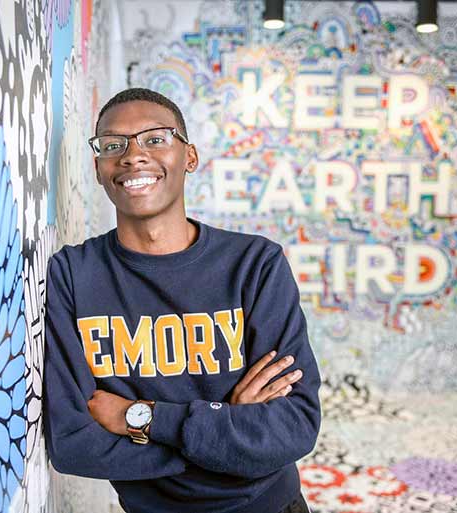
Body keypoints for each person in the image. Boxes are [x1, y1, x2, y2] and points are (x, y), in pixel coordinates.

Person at [44, 88, 321, 513]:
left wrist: (144, 417)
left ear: (189, 157)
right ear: (99, 169)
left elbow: (295, 427)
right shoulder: (73, 275)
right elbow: (73, 443)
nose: (133, 155)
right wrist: (224, 431)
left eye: (155, 138)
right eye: (113, 145)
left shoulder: (255, 264)